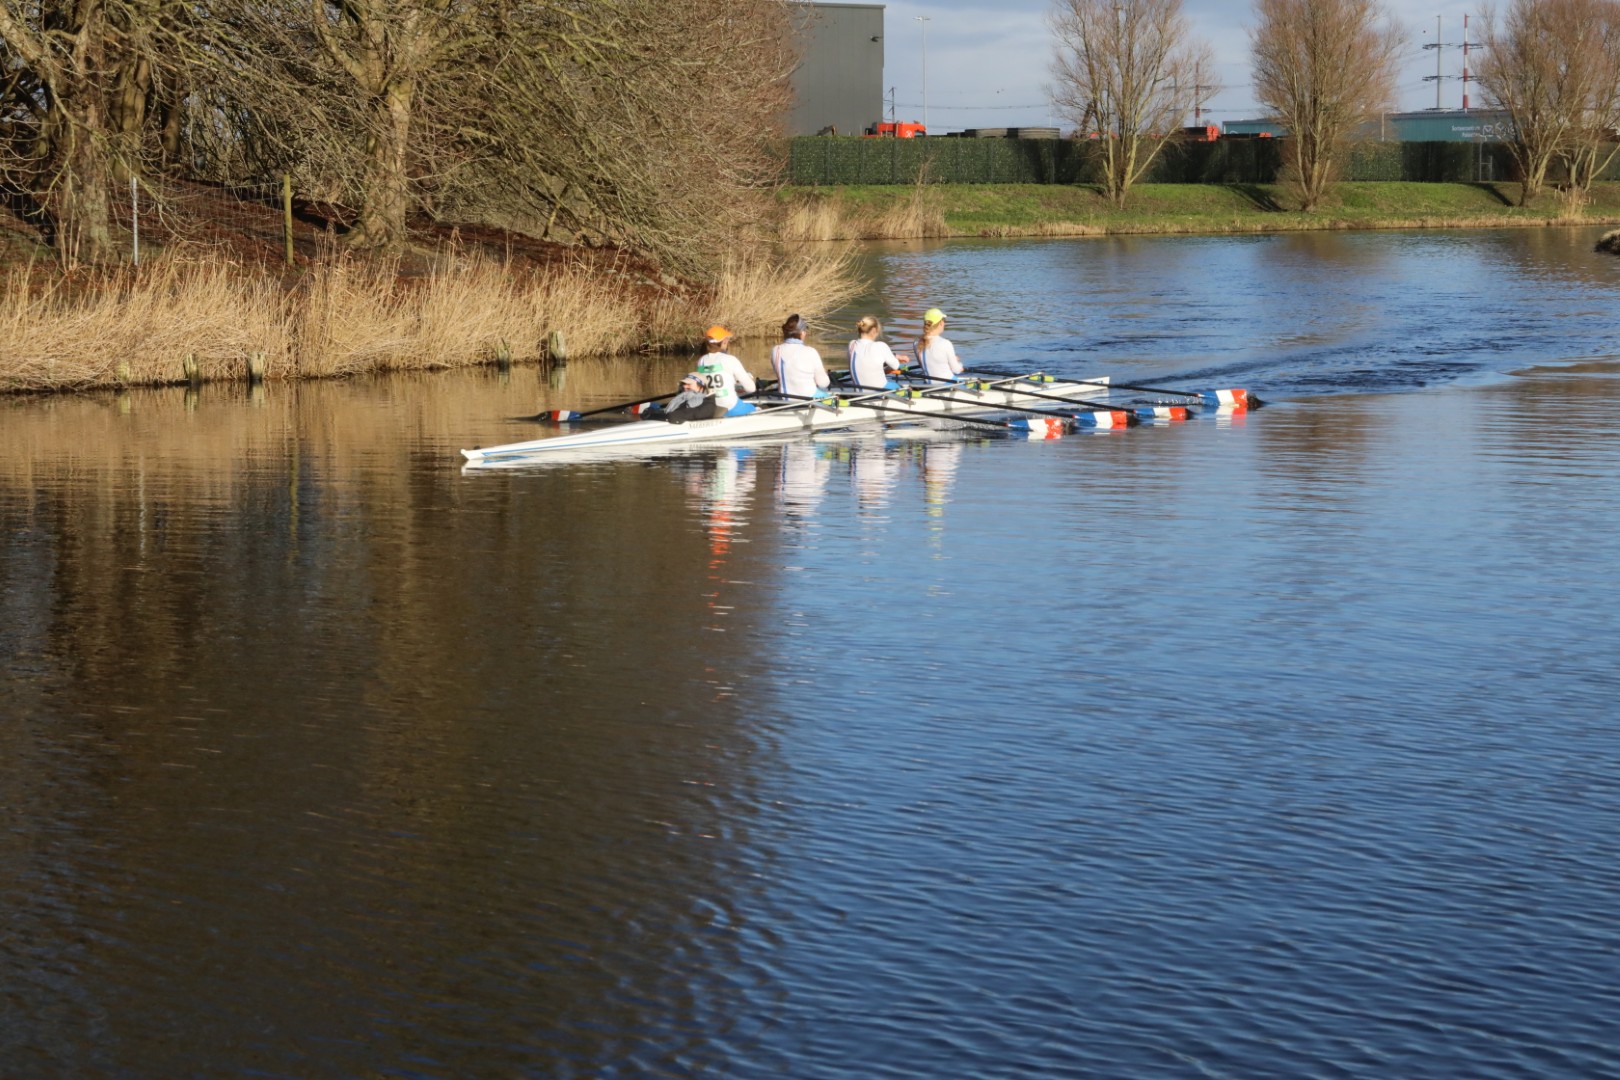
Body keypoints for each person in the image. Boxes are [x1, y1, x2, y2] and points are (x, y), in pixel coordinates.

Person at [697, 325, 759, 415]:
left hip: (711, 407)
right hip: (730, 406)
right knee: (757, 409)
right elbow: (751, 389)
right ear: (724, 342)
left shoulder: (701, 361)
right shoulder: (730, 359)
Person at [771, 314, 831, 399]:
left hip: (785, 399)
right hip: (809, 400)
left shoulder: (775, 350)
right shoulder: (811, 352)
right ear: (802, 333)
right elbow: (823, 383)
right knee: (834, 398)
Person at [846, 316, 903, 390]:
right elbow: (896, 366)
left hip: (859, 392)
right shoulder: (880, 345)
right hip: (882, 391)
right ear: (874, 330)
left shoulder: (852, 344)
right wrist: (895, 359)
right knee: (905, 388)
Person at [913, 307, 964, 382]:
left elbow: (923, 366)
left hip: (929, 385)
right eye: (944, 321)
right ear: (941, 323)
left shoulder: (916, 342)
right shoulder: (945, 343)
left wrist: (950, 360)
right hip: (948, 383)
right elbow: (957, 370)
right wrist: (960, 365)